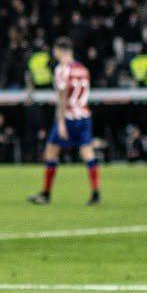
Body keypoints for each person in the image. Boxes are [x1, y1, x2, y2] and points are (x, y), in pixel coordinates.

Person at [28, 37, 100, 205]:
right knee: (87, 152)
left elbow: (62, 96)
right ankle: (96, 192)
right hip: (84, 115)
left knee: (51, 152)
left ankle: (46, 194)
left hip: (68, 117)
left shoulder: (62, 69)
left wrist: (60, 122)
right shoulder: (83, 69)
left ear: (60, 51)